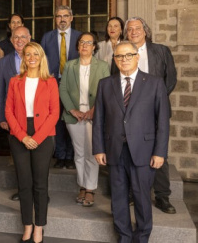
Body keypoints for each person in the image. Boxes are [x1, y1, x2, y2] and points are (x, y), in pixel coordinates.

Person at [93, 41, 170, 242]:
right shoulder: (105, 84)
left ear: (137, 57)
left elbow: (162, 121)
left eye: (128, 55)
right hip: (114, 149)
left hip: (144, 151)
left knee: (142, 197)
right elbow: (99, 119)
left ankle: (142, 237)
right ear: (114, 59)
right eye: (119, 56)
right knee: (118, 198)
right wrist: (99, 148)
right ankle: (124, 236)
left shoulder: (154, 83)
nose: (124, 59)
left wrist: (160, 152)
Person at [111, 17, 178, 214]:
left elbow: (171, 79)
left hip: (157, 110)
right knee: (132, 151)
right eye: (129, 29)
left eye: (137, 28)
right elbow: (115, 81)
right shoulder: (121, 54)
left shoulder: (161, 51)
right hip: (129, 112)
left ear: (145, 31)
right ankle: (134, 193)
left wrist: (154, 101)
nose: (133, 32)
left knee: (159, 153)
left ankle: (162, 196)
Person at [5, 42, 59, 243]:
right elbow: (8, 111)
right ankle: (27, 225)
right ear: (24, 58)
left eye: (35, 54)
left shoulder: (50, 81)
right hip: (19, 134)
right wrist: (23, 136)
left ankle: (39, 227)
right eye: (28, 54)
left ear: (41, 56)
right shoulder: (14, 81)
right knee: (24, 183)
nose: (32, 57)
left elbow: (54, 113)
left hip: (43, 135)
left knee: (40, 184)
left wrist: (36, 138)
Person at [59, 32, 110, 207]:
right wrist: (72, 110)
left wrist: (94, 110)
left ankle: (90, 189)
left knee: (92, 153)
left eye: (88, 43)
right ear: (78, 46)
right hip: (74, 117)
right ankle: (82, 185)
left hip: (94, 116)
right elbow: (63, 89)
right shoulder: (70, 65)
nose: (85, 45)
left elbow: (106, 91)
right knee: (79, 153)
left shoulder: (102, 66)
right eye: (81, 42)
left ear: (94, 46)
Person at [41, 5, 81, 169]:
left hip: (74, 84)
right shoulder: (47, 37)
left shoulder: (80, 37)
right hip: (53, 83)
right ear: (55, 19)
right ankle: (60, 155)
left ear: (71, 18)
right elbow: (42, 59)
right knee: (55, 119)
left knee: (71, 119)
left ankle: (71, 156)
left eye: (65, 16)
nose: (62, 19)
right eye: (59, 16)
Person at [0, 26, 31, 201]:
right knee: (19, 157)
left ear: (29, 38)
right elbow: (0, 90)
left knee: (37, 157)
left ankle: (38, 191)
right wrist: (2, 117)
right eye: (16, 37)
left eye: (23, 37)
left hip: (34, 117)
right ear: (11, 40)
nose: (19, 40)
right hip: (13, 118)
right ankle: (23, 190)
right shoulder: (4, 62)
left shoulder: (38, 58)